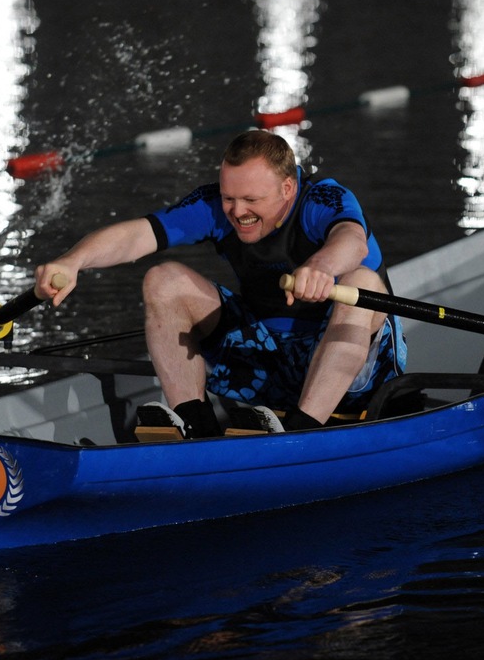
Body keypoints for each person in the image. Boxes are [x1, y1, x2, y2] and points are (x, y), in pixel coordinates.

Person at [33, 130, 406, 438]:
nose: (237, 212)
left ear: (288, 188)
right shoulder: (214, 207)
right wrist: (73, 260)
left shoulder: (323, 199)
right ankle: (196, 426)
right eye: (229, 197)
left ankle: (301, 433)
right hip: (268, 360)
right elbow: (136, 236)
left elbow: (352, 241)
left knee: (362, 282)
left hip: (356, 378)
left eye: (251, 199)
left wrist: (320, 266)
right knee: (163, 280)